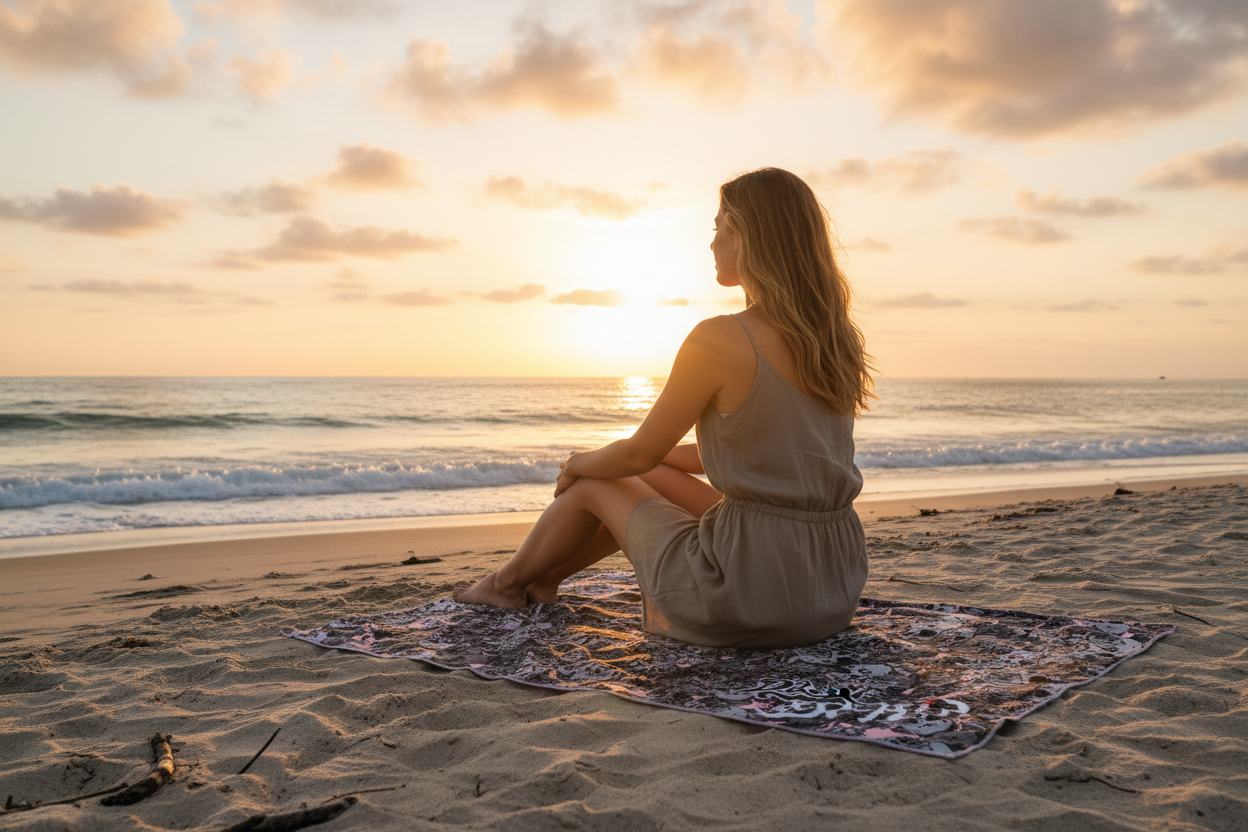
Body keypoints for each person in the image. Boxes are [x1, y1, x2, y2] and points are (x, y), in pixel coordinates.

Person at [454, 167, 873, 648]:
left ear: (746, 235)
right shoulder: (835, 340)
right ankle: (544, 579)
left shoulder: (721, 337)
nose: (711, 243)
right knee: (643, 470)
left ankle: (505, 583)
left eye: (719, 227)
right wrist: (656, 460)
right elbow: (767, 451)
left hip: (745, 597)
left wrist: (578, 462)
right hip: (830, 590)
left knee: (597, 479)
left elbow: (637, 455)